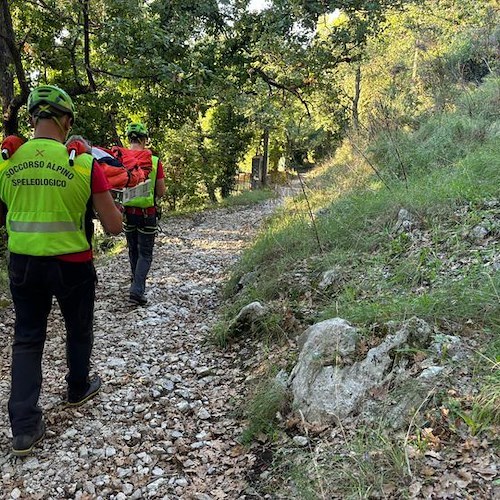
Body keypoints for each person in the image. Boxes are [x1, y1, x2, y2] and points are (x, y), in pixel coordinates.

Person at [0, 84, 123, 457]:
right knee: (78, 327)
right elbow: (114, 227)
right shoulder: (84, 163)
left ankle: (23, 428)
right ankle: (77, 387)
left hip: (22, 264)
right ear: (65, 121)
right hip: (72, 264)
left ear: (34, 118)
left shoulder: (7, 161)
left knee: (27, 338)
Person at [122, 122, 165, 306]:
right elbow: (161, 192)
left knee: (133, 249)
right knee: (145, 253)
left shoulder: (121, 159)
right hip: (148, 214)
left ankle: (135, 286)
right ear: (144, 140)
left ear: (129, 139)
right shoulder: (154, 161)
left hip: (127, 212)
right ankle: (137, 291)